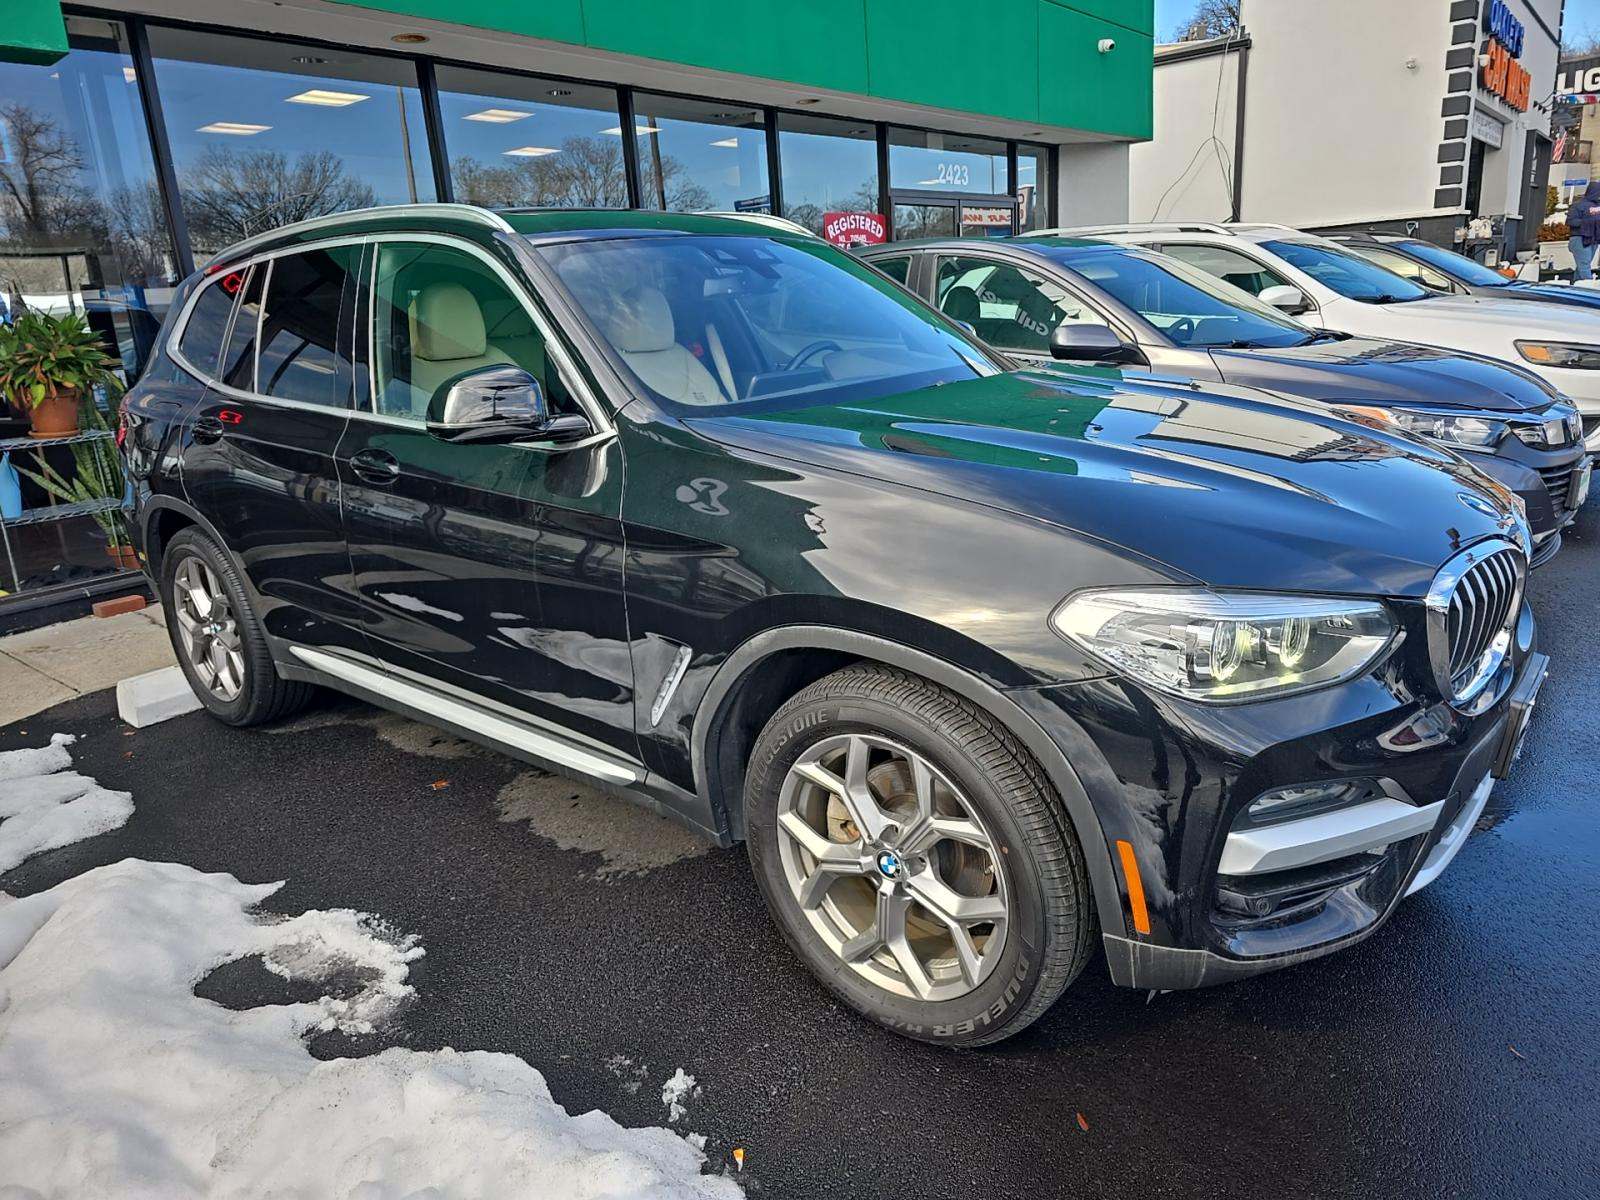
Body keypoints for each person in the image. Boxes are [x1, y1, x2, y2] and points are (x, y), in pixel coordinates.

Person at [1570, 181, 1600, 282]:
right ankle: (1591, 290)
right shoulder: (1577, 205)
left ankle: (1575, 288)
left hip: (1593, 239)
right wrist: (1589, 222)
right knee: (1584, 266)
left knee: (1582, 267)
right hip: (1580, 238)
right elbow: (1571, 221)